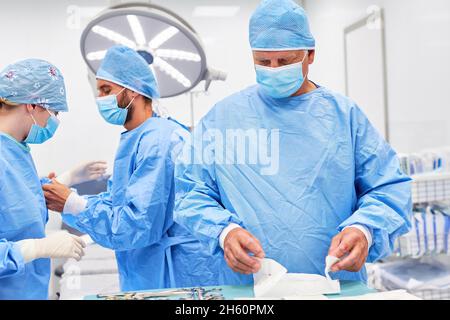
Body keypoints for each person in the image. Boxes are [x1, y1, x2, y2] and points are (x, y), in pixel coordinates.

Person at [174, 0, 412, 285]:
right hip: (250, 287)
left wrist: (364, 230)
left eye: (284, 61)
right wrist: (224, 233)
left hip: (334, 283)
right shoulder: (223, 118)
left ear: (310, 54)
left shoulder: (343, 116)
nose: (273, 69)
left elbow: (388, 187)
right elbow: (190, 192)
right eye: (263, 62)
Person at [42, 45, 229, 291]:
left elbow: (137, 225)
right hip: (152, 270)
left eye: (106, 89)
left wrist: (73, 204)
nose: (100, 98)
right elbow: (117, 203)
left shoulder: (159, 141)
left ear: (134, 91)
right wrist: (68, 195)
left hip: (175, 275)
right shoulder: (138, 138)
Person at [0, 59, 86, 300]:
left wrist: (64, 181)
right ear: (33, 105)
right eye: (54, 112)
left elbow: (15, 199)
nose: (55, 121)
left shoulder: (16, 150)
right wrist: (37, 248)